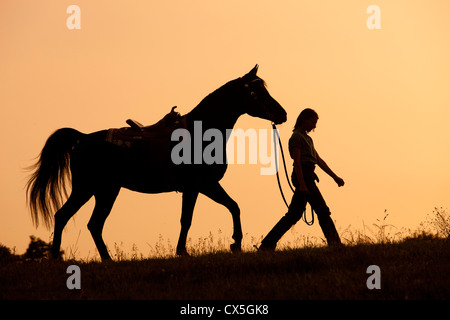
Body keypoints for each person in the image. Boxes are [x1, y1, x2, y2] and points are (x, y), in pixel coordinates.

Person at [260, 108, 344, 250]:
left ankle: (267, 244)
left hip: (308, 177)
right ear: (304, 120)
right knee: (322, 211)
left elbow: (318, 160)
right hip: (303, 177)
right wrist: (302, 184)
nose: (314, 126)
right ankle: (335, 244)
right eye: (312, 122)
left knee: (294, 215)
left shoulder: (308, 139)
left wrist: (335, 177)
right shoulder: (296, 138)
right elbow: (297, 162)